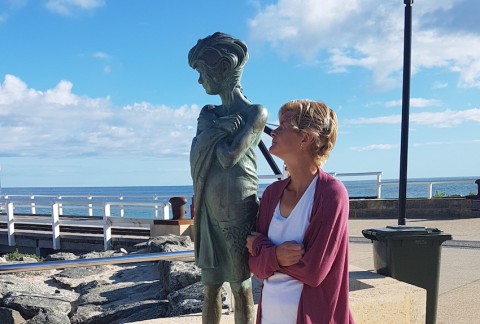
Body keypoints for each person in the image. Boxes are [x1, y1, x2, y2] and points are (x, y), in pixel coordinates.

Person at [246, 99, 354, 324]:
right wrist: (272, 254)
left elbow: (314, 271)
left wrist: (264, 251)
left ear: (306, 138)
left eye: (283, 126)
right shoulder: (271, 194)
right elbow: (254, 266)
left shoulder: (331, 193)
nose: (273, 132)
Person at [188, 32, 268, 324]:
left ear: (222, 68)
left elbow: (228, 156)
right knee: (210, 286)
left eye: (202, 72)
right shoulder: (208, 113)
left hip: (239, 209)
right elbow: (196, 152)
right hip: (210, 207)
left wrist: (214, 132)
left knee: (241, 286)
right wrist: (220, 128)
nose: (200, 81)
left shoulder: (255, 112)